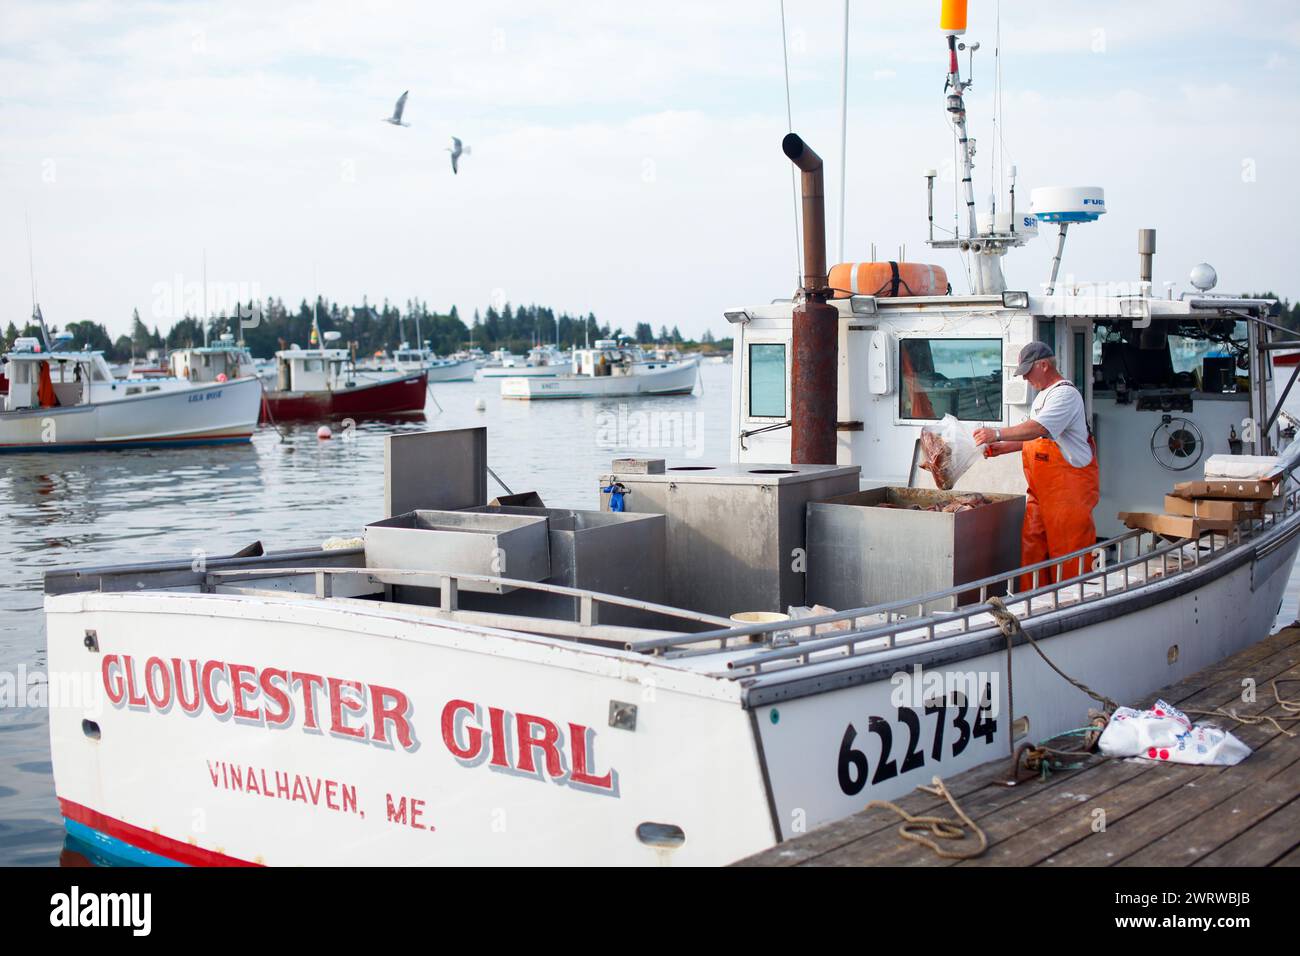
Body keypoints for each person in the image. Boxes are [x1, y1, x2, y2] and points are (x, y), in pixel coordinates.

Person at [973, 342, 1099, 589]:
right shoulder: (1043, 397)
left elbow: (1039, 428)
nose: (1026, 379)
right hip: (1041, 493)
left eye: (1028, 372)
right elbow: (1037, 438)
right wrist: (1004, 447)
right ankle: (1032, 603)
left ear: (1044, 365)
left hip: (1069, 495)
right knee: (1033, 549)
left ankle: (1072, 605)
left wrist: (996, 434)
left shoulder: (1065, 394)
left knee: (1069, 555)